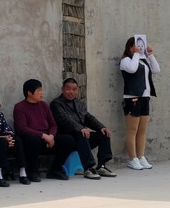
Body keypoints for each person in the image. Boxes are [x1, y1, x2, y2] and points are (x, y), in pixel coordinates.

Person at [50, 77, 116, 179]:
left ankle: (102, 166)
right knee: (82, 134)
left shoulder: (79, 104)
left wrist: (101, 127)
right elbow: (65, 120)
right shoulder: (56, 104)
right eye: (68, 89)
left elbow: (88, 118)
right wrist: (80, 128)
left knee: (103, 134)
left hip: (82, 139)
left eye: (74, 89)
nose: (71, 92)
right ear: (62, 89)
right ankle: (88, 168)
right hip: (67, 139)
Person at [13, 79, 76, 181]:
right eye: (38, 91)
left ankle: (55, 170)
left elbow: (53, 124)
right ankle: (32, 171)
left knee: (68, 140)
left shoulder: (44, 105)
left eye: (41, 90)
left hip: (47, 139)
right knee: (33, 139)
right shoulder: (20, 107)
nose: (41, 93)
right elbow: (22, 128)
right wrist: (43, 135)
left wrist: (51, 136)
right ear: (29, 93)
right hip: (31, 141)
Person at [119, 37, 160, 170]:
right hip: (132, 98)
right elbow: (132, 69)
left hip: (145, 97)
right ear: (129, 47)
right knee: (132, 130)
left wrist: (150, 55)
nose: (138, 48)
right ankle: (132, 158)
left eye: (140, 46)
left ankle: (141, 156)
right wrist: (136, 54)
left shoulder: (142, 60)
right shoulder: (126, 60)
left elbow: (156, 69)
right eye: (135, 46)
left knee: (142, 130)